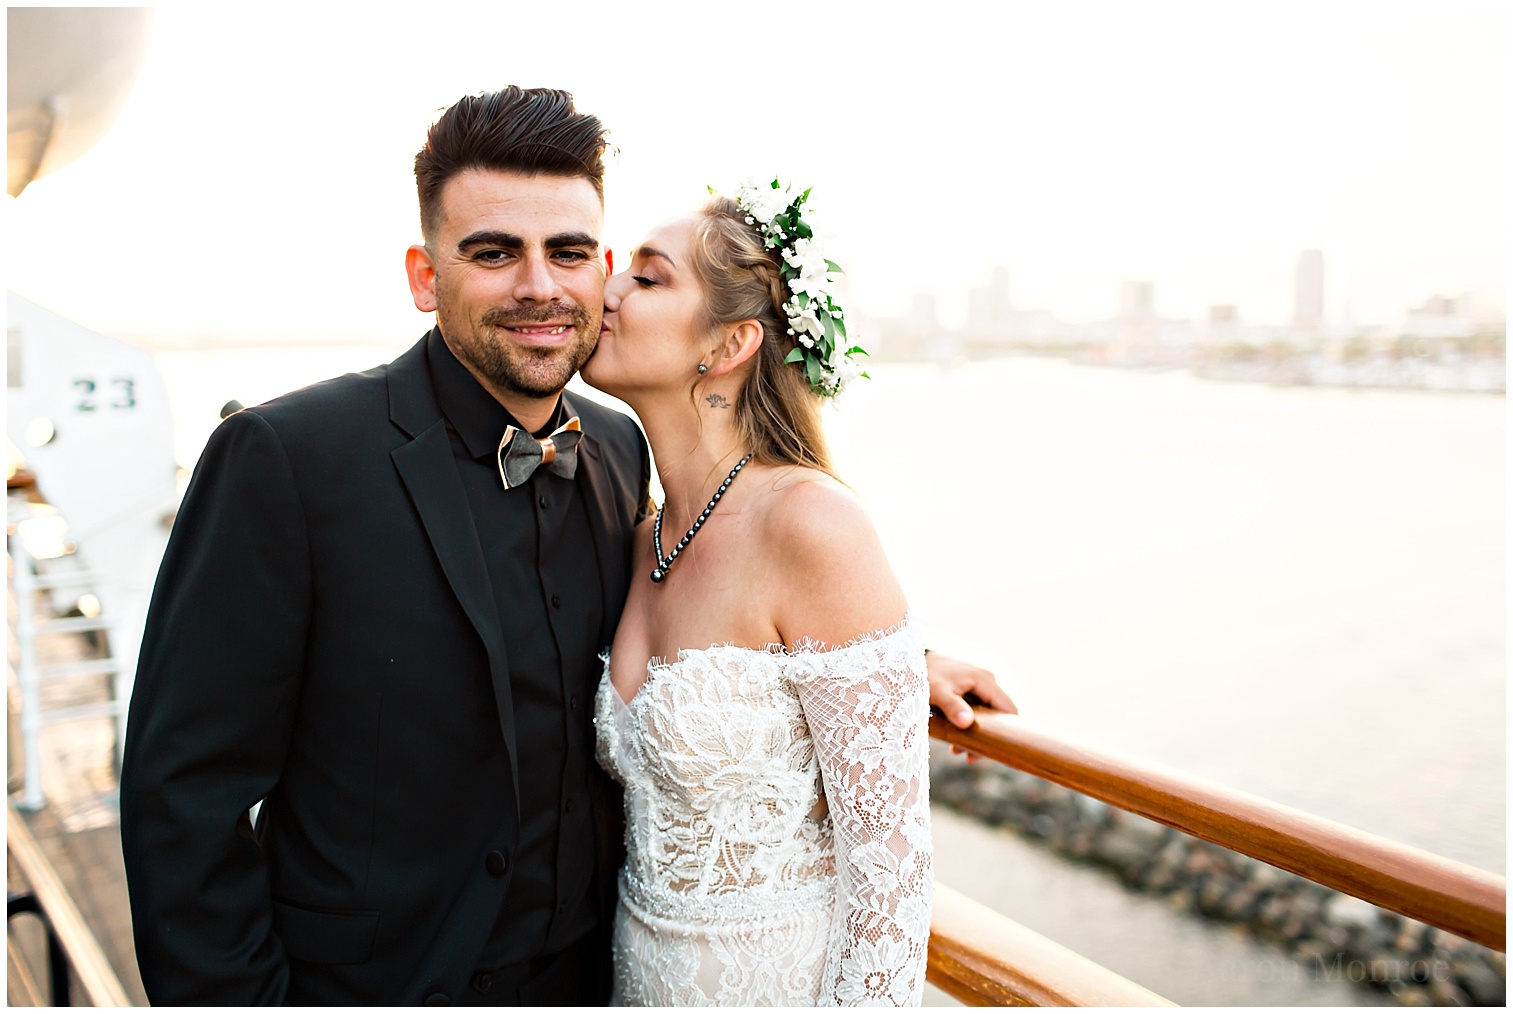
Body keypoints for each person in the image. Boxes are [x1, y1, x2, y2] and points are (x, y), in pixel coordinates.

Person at [119, 87, 1011, 1006]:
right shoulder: (286, 460)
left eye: (570, 253)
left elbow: (736, 605)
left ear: (602, 270)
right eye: (494, 253)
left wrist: (887, 664)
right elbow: (183, 801)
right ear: (426, 277)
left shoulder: (619, 452)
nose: (539, 286)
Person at [584, 183, 933, 1005]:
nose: (604, 290)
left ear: (730, 342)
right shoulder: (645, 537)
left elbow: (890, 877)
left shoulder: (811, 524)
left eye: (647, 277)